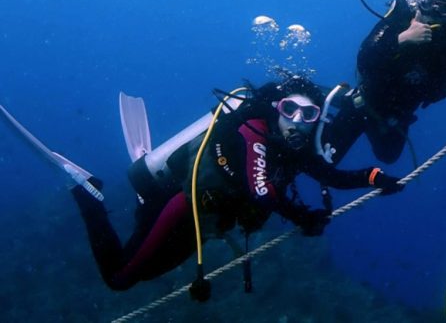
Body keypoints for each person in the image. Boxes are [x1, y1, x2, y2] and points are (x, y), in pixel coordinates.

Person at [33, 75, 404, 294]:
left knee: (140, 276)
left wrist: (374, 178)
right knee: (119, 278)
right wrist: (302, 216)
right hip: (181, 207)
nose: (297, 121)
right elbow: (261, 191)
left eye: (309, 115)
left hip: (203, 224)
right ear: (276, 108)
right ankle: (85, 190)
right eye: (289, 109)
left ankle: (131, 202)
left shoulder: (295, 149)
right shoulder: (253, 131)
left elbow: (332, 175)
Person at [321, 0, 446, 165]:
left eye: (443, 5)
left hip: (399, 115)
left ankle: (337, 96)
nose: (435, 10)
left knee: (388, 156)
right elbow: (365, 58)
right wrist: (403, 38)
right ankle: (327, 96)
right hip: (364, 104)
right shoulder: (400, 16)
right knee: (326, 159)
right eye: (428, 2)